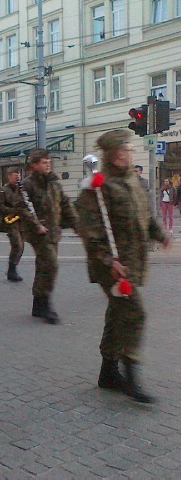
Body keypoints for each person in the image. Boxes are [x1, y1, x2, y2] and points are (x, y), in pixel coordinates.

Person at [76, 130, 171, 404]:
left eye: (129, 150)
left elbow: (146, 217)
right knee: (135, 313)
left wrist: (161, 234)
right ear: (109, 156)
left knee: (118, 313)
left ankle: (108, 373)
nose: (126, 155)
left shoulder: (134, 181)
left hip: (134, 261)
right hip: (112, 266)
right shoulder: (96, 186)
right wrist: (109, 261)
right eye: (121, 152)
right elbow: (90, 232)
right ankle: (131, 374)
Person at [21, 149, 78, 324]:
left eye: (49, 162)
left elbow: (66, 206)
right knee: (51, 264)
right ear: (35, 165)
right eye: (44, 162)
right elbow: (22, 208)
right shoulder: (27, 184)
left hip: (53, 232)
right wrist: (36, 225)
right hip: (37, 233)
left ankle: (38, 304)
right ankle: (45, 303)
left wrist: (79, 225)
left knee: (43, 265)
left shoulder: (54, 183)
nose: (48, 165)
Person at [0, 167, 25, 282]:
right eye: (15, 175)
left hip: (22, 221)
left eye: (19, 175)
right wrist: (13, 211)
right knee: (17, 245)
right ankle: (11, 270)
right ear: (9, 176)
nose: (17, 177)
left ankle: (13, 268)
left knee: (21, 247)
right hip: (11, 221)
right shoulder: (4, 190)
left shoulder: (22, 189)